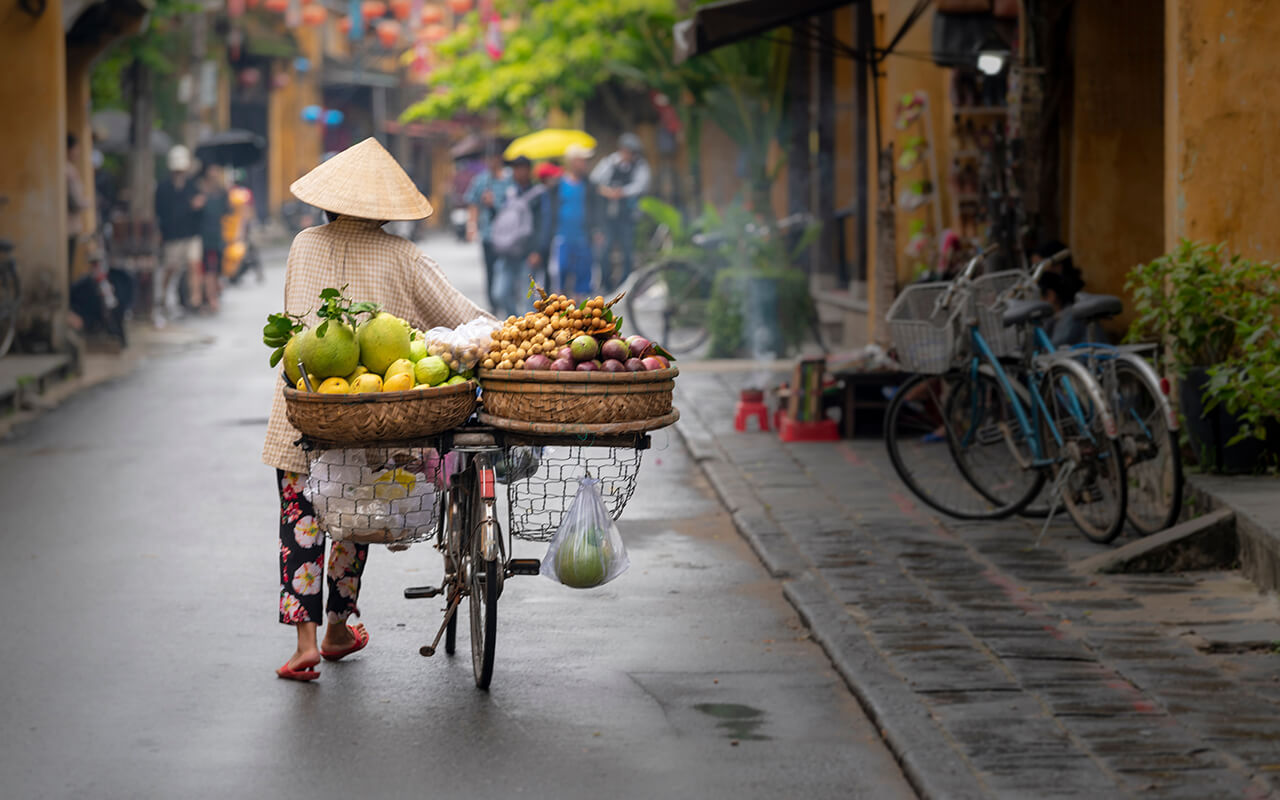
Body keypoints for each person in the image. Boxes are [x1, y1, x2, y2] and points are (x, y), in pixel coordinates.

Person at [262, 138, 491, 682]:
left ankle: (305, 643)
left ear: (328, 201)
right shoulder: (403, 256)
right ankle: (341, 627)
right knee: (349, 511)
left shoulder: (302, 245)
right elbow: (461, 318)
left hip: (304, 410)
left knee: (303, 518)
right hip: (372, 414)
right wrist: (504, 332)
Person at [489, 156, 552, 317]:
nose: (519, 172)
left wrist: (538, 250)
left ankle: (526, 330)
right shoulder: (508, 193)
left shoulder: (539, 194)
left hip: (528, 253)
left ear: (529, 171)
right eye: (516, 169)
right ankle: (515, 322)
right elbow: (502, 221)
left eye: (522, 168)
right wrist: (491, 207)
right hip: (508, 252)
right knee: (500, 293)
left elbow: (544, 224)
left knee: (529, 299)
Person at [590, 132, 650, 289]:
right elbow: (594, 181)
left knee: (628, 250)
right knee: (604, 249)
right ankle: (607, 282)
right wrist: (607, 191)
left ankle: (626, 284)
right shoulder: (609, 162)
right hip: (608, 215)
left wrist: (622, 192)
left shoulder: (640, 166)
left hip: (627, 215)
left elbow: (641, 186)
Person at [154, 145, 205, 324]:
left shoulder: (192, 185)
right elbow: (161, 212)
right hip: (172, 234)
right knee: (171, 267)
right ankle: (161, 297)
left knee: (193, 264)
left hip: (191, 232)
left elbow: (200, 205)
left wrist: (198, 205)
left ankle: (195, 300)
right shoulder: (163, 187)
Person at [464, 151, 512, 311]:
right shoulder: (482, 181)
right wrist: (472, 226)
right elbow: (473, 203)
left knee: (506, 268)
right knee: (490, 270)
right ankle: (493, 303)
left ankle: (506, 298)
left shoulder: (509, 179)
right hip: (488, 234)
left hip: (508, 234)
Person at [555, 144, 599, 297]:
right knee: (561, 272)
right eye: (582, 160)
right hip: (563, 236)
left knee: (584, 274)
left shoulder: (589, 185)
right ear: (573, 162)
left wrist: (597, 230)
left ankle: (582, 311)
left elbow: (595, 209)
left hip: (583, 236)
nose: (585, 164)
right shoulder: (558, 184)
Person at [197, 163, 229, 313]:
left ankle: (211, 296)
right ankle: (210, 298)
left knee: (214, 269)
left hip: (216, 235)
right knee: (207, 269)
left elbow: (226, 212)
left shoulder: (221, 192)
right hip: (203, 235)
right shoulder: (199, 191)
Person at [66, 135, 89, 282]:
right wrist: (86, 203)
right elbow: (74, 202)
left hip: (71, 225)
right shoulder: (67, 171)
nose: (78, 152)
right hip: (69, 225)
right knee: (69, 262)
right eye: (76, 148)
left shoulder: (69, 169)